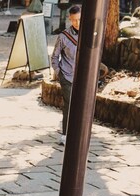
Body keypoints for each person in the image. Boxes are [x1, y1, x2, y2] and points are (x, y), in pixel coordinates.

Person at [50, 4, 80, 144]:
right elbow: (54, 57)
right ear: (70, 19)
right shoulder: (64, 36)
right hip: (67, 76)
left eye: (79, 19)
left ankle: (79, 133)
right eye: (74, 20)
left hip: (82, 78)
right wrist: (59, 73)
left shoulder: (89, 35)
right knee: (69, 105)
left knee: (81, 106)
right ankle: (66, 134)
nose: (77, 23)